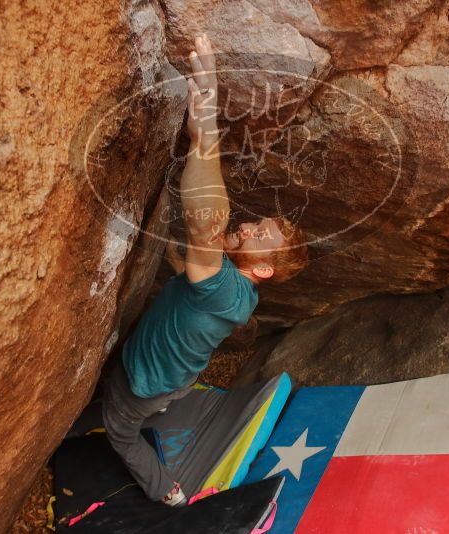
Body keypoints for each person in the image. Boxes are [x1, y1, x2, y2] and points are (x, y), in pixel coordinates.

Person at [101, 34, 309, 507]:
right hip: (174, 377)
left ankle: (167, 491)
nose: (251, 226)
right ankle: (168, 405)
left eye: (262, 236)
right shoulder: (239, 294)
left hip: (144, 383)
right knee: (161, 397)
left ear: (263, 268)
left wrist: (207, 129)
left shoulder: (219, 288)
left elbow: (204, 226)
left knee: (121, 432)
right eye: (261, 224)